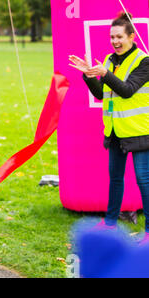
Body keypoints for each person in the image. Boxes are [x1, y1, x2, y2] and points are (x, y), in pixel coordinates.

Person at [69, 12, 149, 243]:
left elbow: (127, 90)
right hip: (114, 131)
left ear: (132, 37)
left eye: (119, 37)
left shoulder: (144, 61)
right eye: (112, 37)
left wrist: (104, 73)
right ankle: (111, 222)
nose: (115, 41)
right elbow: (101, 93)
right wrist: (88, 75)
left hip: (140, 130)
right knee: (115, 178)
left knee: (144, 181)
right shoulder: (109, 60)